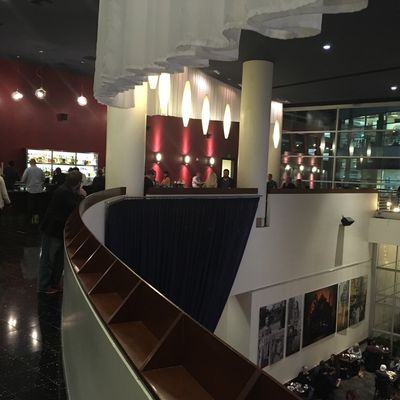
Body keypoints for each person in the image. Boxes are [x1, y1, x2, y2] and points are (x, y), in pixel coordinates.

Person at [38, 171, 86, 294]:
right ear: (78, 183)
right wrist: (82, 195)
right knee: (48, 259)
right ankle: (44, 286)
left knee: (58, 260)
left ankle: (54, 283)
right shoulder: (64, 192)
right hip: (52, 230)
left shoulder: (66, 190)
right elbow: (75, 206)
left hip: (58, 230)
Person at [21, 158, 45, 224]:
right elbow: (43, 179)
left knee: (31, 207)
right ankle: (37, 220)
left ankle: (31, 221)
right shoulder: (40, 170)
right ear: (35, 163)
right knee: (38, 206)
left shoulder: (28, 169)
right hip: (39, 191)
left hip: (31, 191)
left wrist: (27, 182)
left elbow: (23, 180)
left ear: (30, 163)